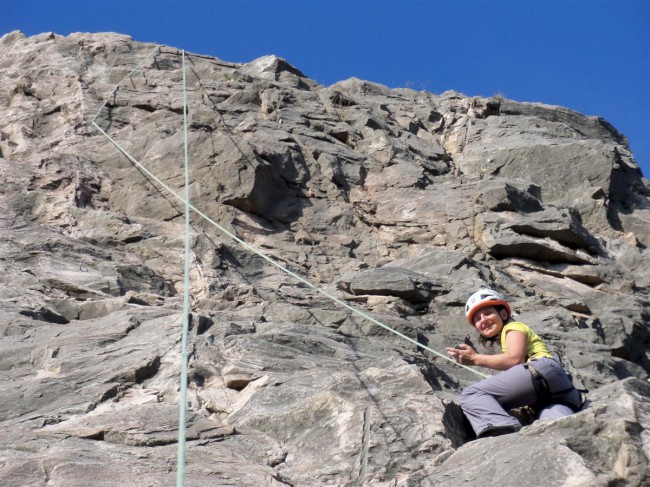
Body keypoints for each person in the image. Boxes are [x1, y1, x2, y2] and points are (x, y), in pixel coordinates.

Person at [445, 288, 583, 438]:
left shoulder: (513, 327)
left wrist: (475, 359)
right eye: (477, 319)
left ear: (503, 314)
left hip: (540, 371)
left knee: (471, 395)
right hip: (562, 393)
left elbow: (514, 358)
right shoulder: (509, 333)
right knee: (553, 429)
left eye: (488, 313)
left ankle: (503, 431)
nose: (483, 320)